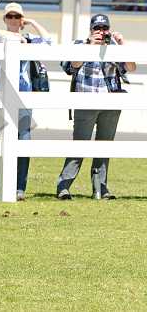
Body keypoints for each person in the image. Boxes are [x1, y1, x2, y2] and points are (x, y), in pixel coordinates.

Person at [56, 14, 136, 200]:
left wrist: (122, 44)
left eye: (104, 28)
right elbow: (71, 66)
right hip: (85, 102)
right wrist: (90, 45)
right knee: (79, 146)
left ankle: (100, 189)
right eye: (97, 28)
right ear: (90, 30)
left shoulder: (114, 46)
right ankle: (63, 186)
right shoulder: (79, 44)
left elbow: (131, 67)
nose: (101, 32)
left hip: (111, 102)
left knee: (104, 147)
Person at [0, 3, 51, 201]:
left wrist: (32, 22)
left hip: (23, 95)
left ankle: (19, 187)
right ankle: (1, 185)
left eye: (17, 16)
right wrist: (19, 39)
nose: (14, 19)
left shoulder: (30, 39)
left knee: (23, 139)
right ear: (5, 19)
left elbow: (48, 41)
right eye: (10, 16)